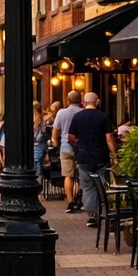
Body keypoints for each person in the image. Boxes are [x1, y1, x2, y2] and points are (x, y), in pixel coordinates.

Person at [67, 91, 117, 228]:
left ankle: (92, 216)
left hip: (84, 159)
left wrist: (79, 148)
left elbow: (70, 138)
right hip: (101, 157)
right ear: (97, 101)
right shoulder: (103, 117)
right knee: (103, 187)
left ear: (84, 102)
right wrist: (115, 154)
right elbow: (109, 139)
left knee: (88, 188)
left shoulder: (77, 117)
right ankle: (106, 214)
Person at [51, 91, 83, 212]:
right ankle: (80, 196)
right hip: (81, 146)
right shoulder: (83, 112)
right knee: (82, 175)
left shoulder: (61, 113)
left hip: (65, 146)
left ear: (67, 100)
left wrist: (54, 142)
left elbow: (55, 131)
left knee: (68, 176)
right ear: (80, 100)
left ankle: (70, 202)